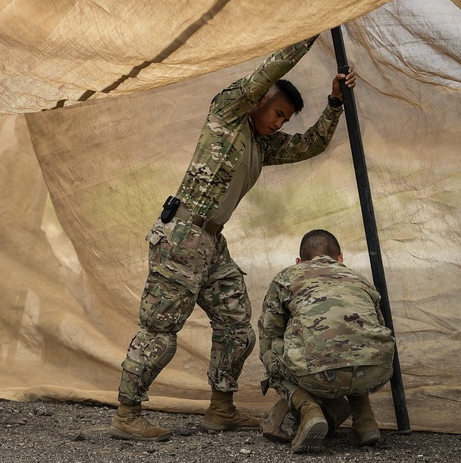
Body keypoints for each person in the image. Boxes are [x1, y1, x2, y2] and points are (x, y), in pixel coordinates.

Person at [110, 35, 357, 441]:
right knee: (160, 329)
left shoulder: (263, 145)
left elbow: (312, 144)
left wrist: (334, 103)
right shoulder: (227, 113)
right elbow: (269, 71)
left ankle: (221, 409)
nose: (280, 123)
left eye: (285, 119)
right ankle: (128, 411)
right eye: (278, 113)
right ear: (260, 101)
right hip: (182, 236)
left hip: (211, 243)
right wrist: (313, 30)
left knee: (237, 325)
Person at [257, 229, 395, 453]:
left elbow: (271, 332)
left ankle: (309, 411)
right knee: (356, 343)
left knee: (270, 352)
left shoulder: (287, 277)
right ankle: (365, 420)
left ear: (299, 262)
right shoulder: (361, 280)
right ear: (340, 258)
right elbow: (378, 327)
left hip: (319, 375)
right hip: (377, 371)